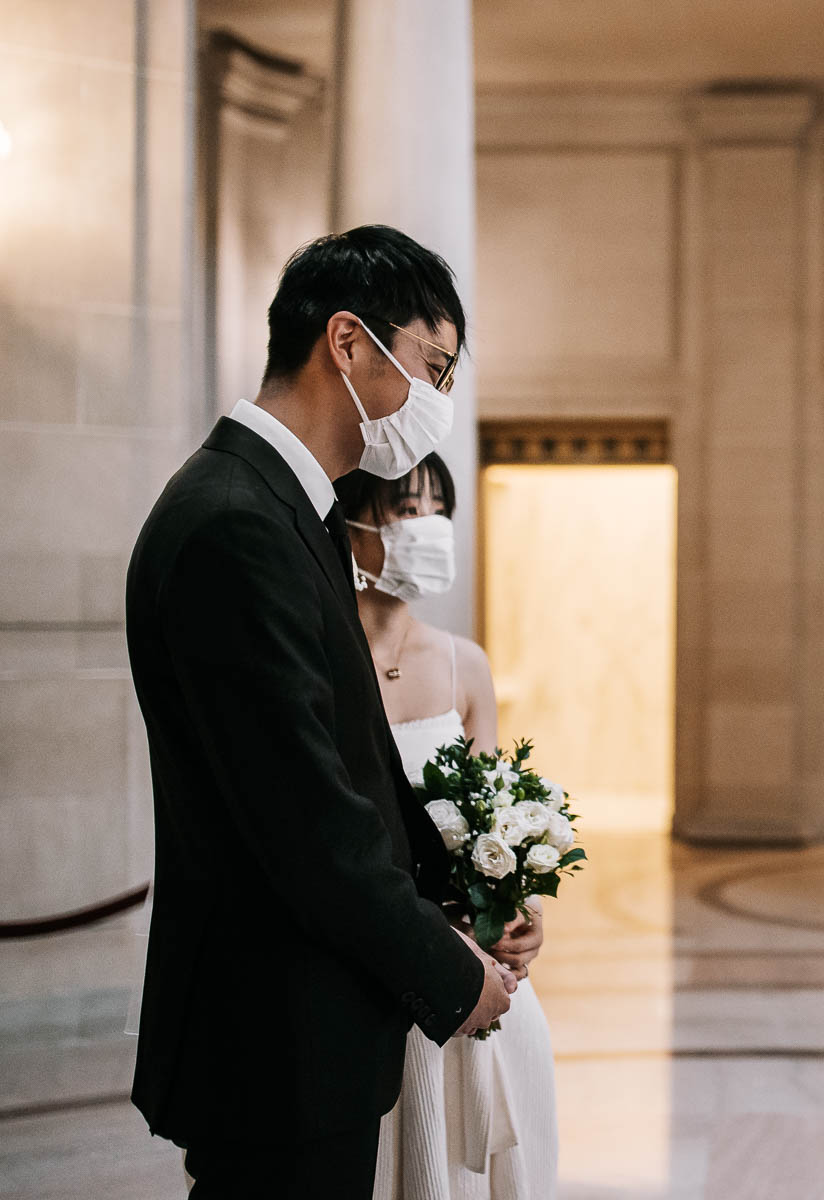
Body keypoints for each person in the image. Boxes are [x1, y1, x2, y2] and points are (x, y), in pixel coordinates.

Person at [125, 226, 516, 1198]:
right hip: (274, 1031)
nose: (438, 403)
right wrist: (451, 974)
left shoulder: (281, 511)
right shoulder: (233, 524)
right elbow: (306, 819)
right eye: (432, 367)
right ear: (346, 342)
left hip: (307, 1028)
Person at [336, 454, 560, 1198]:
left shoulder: (465, 665)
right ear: (354, 518)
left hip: (488, 985)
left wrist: (521, 915)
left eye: (437, 507)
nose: (425, 525)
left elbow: (495, 826)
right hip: (380, 986)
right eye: (404, 507)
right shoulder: (325, 663)